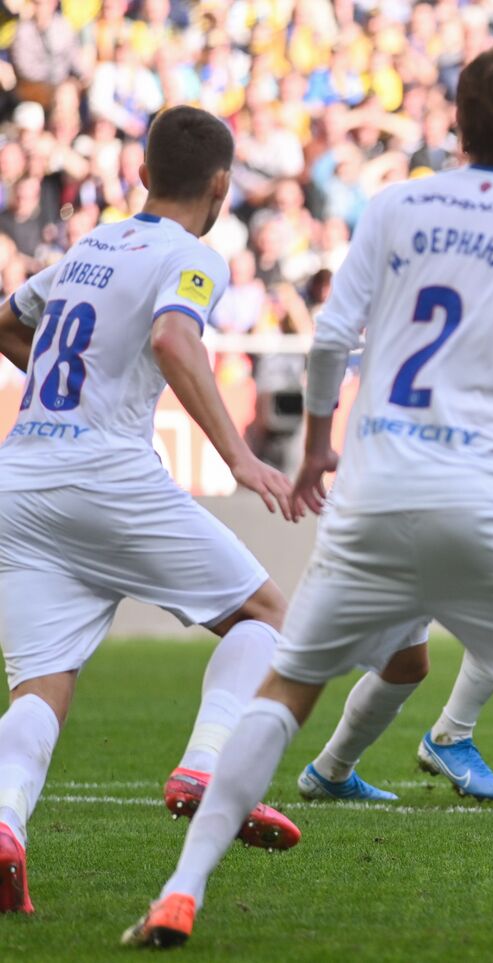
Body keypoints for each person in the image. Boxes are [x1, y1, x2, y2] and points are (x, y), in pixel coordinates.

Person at [124, 46, 493, 949]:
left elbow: (329, 340)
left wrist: (317, 448)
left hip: (376, 489)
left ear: (456, 125)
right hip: (487, 496)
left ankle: (181, 888)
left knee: (286, 687)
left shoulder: (393, 207)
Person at [0, 106, 304, 916]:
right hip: (103, 474)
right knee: (266, 614)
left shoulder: (86, 247)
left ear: (141, 174)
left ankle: (2, 823)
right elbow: (175, 339)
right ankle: (207, 763)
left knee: (39, 687)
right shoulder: (192, 255)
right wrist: (240, 457)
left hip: (19, 482)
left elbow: (6, 320)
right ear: (221, 186)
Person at [296, 335, 493, 804]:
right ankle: (451, 736)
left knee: (404, 666)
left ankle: (330, 772)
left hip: (395, 496)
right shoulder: (479, 310)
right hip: (406, 497)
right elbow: (437, 420)